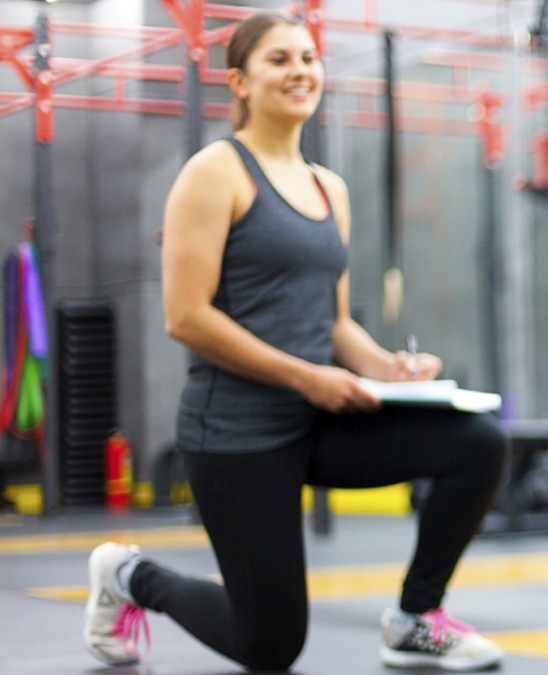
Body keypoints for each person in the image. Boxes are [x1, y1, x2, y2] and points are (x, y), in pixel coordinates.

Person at [82, 11, 508, 672]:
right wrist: (309, 377)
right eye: (279, 60)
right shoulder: (214, 172)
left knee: (477, 444)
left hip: (314, 421)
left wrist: (389, 367)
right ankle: (129, 575)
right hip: (237, 433)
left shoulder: (327, 188)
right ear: (239, 81)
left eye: (308, 58)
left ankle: (414, 618)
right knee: (270, 646)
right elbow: (186, 318)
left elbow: (333, 324)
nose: (300, 72)